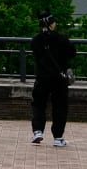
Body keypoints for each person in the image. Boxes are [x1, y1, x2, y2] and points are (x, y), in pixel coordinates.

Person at [30, 12, 75, 147]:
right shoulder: (61, 38)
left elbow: (36, 55)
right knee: (60, 107)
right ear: (51, 24)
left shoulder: (36, 40)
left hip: (42, 77)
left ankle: (38, 131)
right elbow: (72, 53)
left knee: (38, 104)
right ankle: (58, 137)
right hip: (59, 78)